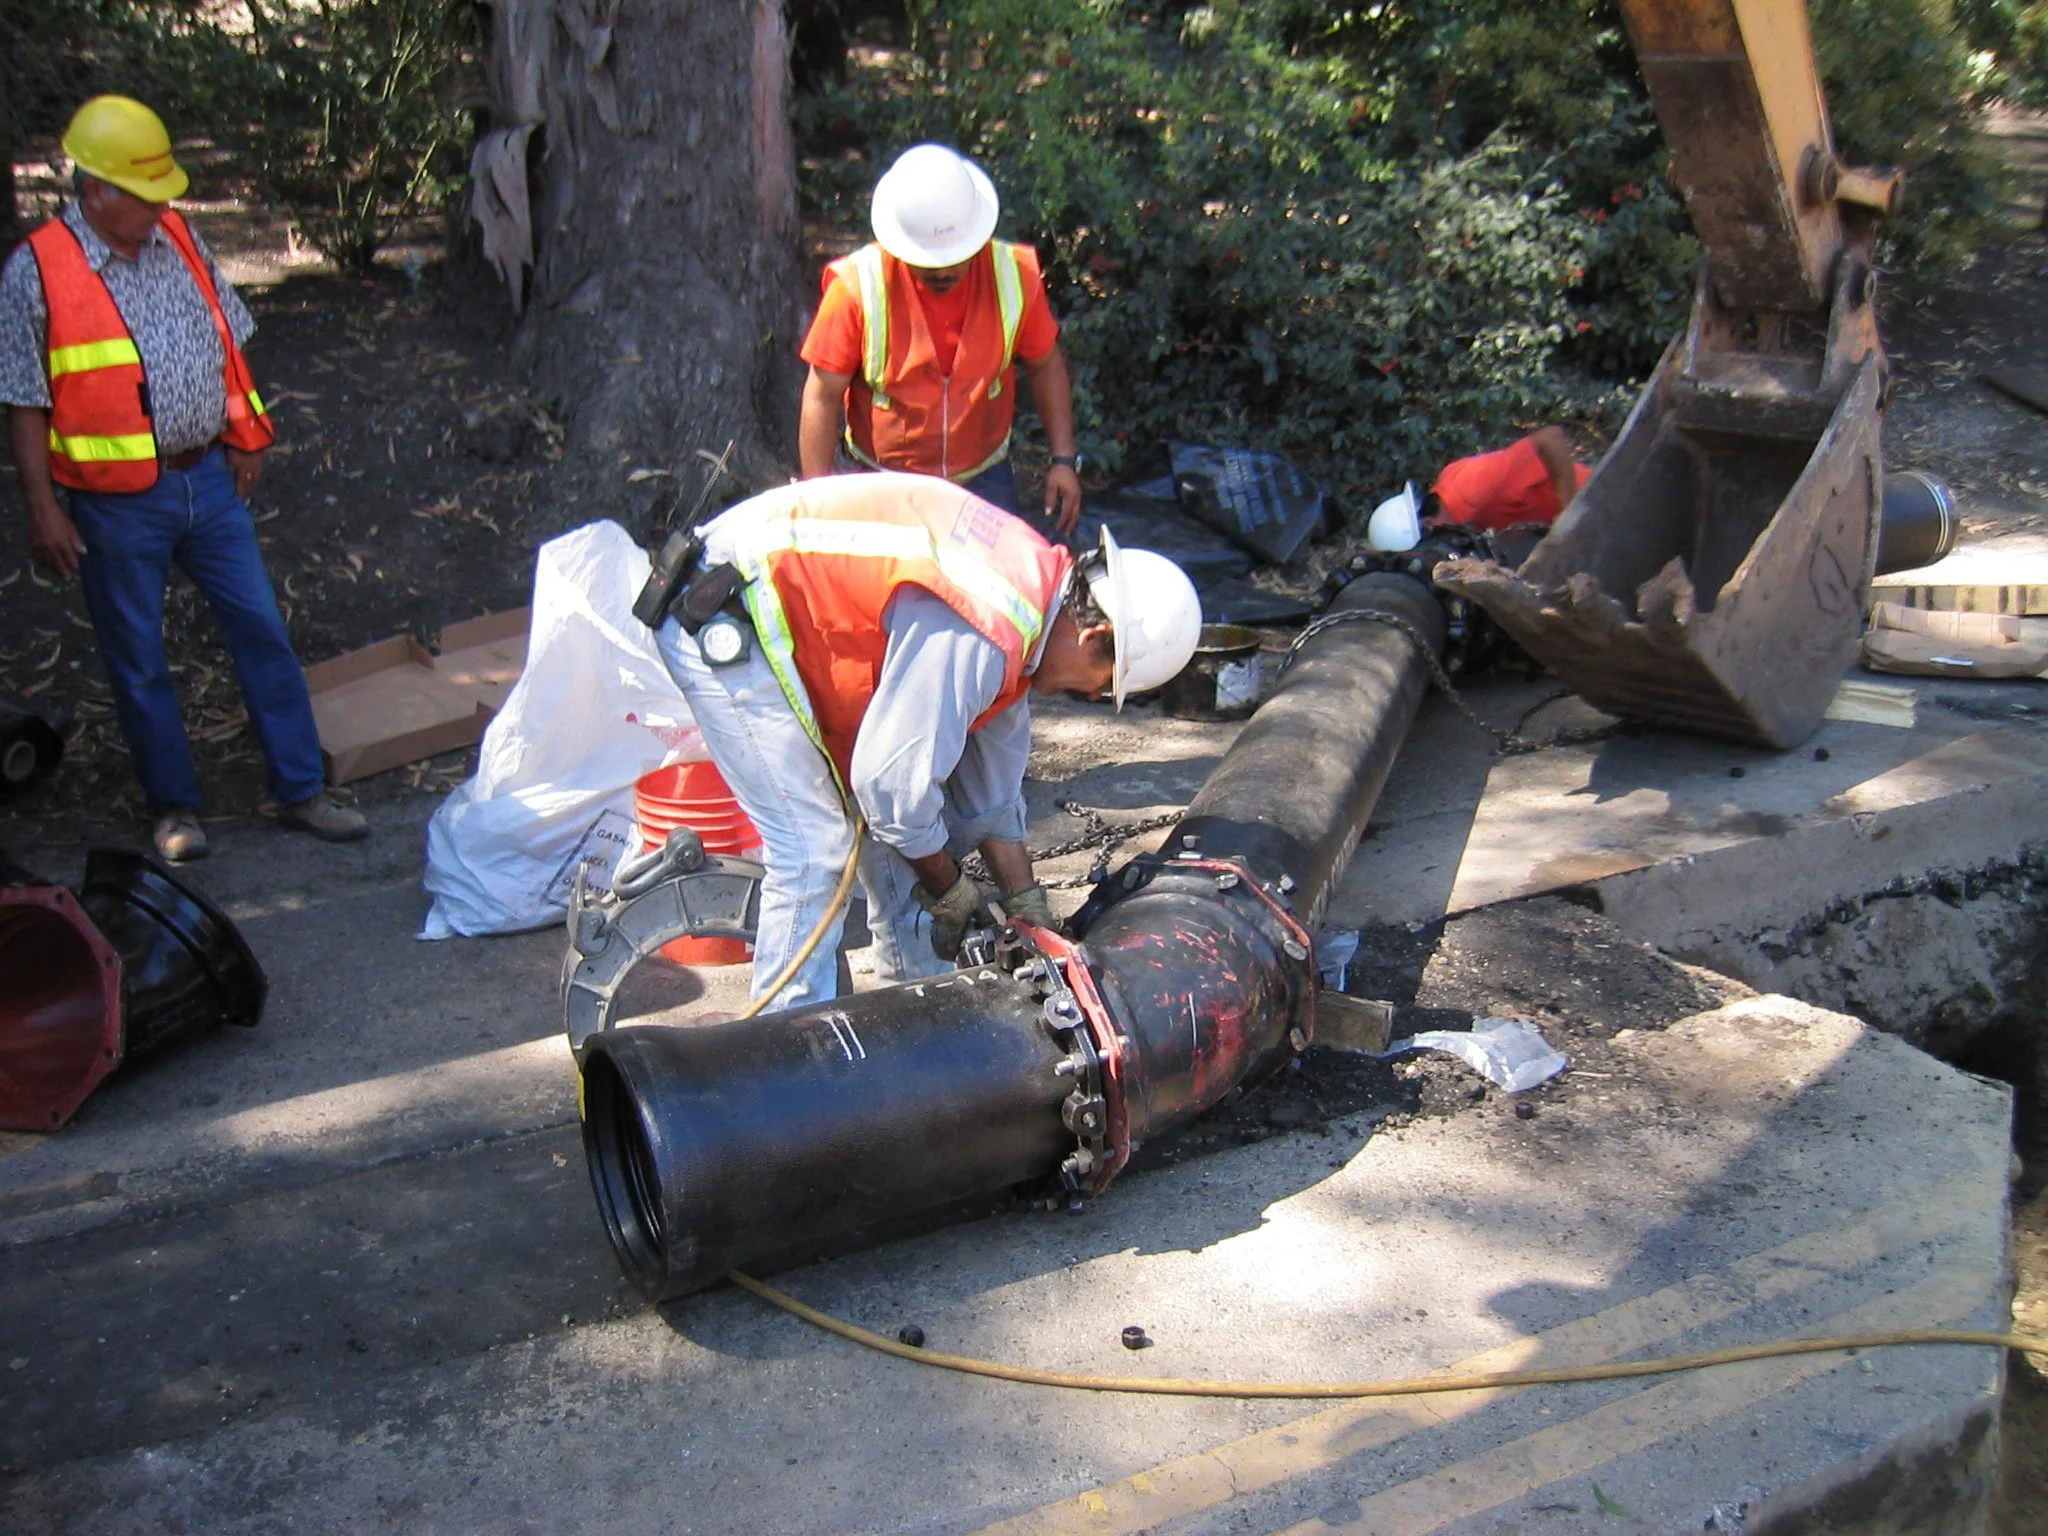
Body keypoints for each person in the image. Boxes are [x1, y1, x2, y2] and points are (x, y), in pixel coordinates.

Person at [654, 471, 1201, 1010]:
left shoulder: (1029, 603)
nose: (1093, 698)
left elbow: (991, 796)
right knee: (814, 849)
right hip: (721, 604)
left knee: (902, 834)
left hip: (769, 600)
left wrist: (1026, 906)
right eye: (1105, 686)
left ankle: (915, 1019)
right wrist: (951, 889)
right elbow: (891, 787)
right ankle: (784, 1059)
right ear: (1094, 637)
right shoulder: (986, 624)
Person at [1, 96, 365, 862]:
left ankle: (301, 790)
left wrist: (244, 433)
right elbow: (25, 399)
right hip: (114, 502)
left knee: (262, 629)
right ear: (95, 191)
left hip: (208, 482)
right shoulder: (36, 272)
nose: (163, 202)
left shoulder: (177, 237)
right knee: (139, 657)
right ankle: (176, 810)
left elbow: (224, 343)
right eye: (146, 190)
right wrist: (43, 507)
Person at [797, 144, 1085, 539]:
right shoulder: (857, 289)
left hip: (983, 477)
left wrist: (1064, 460)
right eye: (928, 260)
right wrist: (818, 502)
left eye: (955, 256)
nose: (943, 270)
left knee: (995, 589)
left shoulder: (1014, 277)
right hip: (884, 480)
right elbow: (822, 394)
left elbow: (1045, 363)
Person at [1426, 426, 1592, 532]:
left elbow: (1551, 438)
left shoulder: (1474, 489)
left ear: (1429, 523)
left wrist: (1568, 510)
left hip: (1589, 501)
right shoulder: (1446, 483)